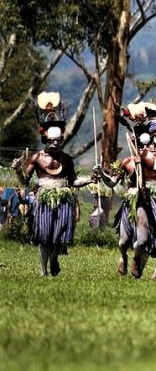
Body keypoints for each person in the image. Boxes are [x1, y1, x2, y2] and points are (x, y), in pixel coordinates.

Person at [11, 92, 98, 277]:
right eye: (52, 142)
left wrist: (90, 179)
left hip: (63, 199)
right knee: (44, 237)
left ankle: (55, 257)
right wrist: (18, 170)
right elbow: (25, 182)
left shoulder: (66, 159)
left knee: (60, 237)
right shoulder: (37, 158)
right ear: (45, 141)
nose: (56, 144)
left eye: (59, 141)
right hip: (44, 198)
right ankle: (43, 271)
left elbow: (74, 181)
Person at [101, 114, 156, 279]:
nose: (137, 139)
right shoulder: (134, 160)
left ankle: (152, 272)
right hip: (139, 200)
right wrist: (100, 173)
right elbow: (112, 182)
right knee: (124, 241)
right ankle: (124, 256)